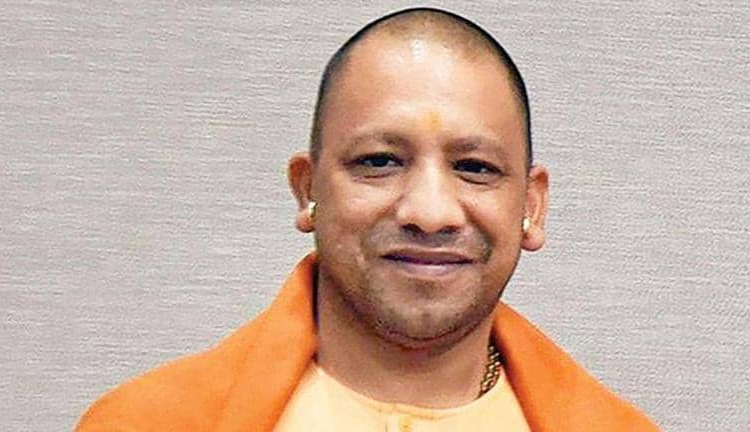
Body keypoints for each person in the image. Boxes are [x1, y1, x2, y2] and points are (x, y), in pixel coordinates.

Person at [76, 7, 659, 431]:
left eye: (475, 167)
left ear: (530, 208)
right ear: (307, 190)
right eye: (379, 162)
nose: (429, 213)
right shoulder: (147, 421)